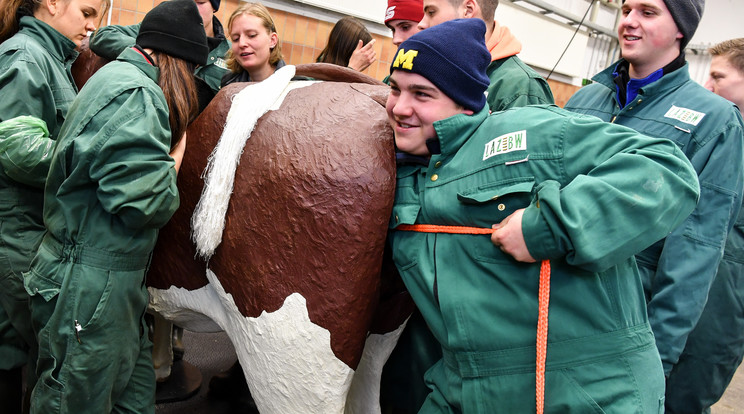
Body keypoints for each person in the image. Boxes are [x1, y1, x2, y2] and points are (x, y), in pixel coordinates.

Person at [386, 18, 700, 413]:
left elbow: (666, 169)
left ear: (463, 99)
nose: (400, 107)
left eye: (421, 94)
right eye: (394, 89)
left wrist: (551, 226)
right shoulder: (397, 172)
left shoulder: (536, 135)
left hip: (583, 392)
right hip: (464, 388)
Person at [19, 0, 207, 411]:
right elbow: (145, 203)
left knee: (134, 398)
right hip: (90, 286)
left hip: (111, 287)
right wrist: (175, 156)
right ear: (178, 62)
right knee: (74, 400)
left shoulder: (116, 76)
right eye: (191, 72)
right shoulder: (137, 94)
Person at [564, 2, 744, 409]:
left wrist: (654, 361)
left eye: (647, 12)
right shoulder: (584, 100)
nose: (628, 20)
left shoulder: (713, 121)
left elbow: (694, 253)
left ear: (681, 29)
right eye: (626, 9)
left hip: (629, 323)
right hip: (559, 313)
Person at [0, 0, 108, 411]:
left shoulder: (51, 58)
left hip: (29, 227)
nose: (92, 26)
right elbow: (18, 149)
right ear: (53, 2)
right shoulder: (27, 55)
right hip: (19, 232)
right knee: (55, 353)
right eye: (86, 12)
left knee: (11, 352)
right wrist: (100, 158)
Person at [664, 37, 744, 414]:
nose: (707, 88)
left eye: (718, 77)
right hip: (679, 301)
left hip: (718, 316)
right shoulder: (710, 143)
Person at [418, 0, 553, 111]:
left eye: (431, 12)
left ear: (468, 10)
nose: (421, 24)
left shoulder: (521, 86)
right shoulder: (440, 71)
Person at [89, 0, 230, 95]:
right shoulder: (161, 30)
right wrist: (150, 53)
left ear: (214, 6)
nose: (191, 8)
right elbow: (102, 36)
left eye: (200, 2)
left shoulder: (232, 54)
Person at [221, 2, 285, 86]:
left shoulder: (296, 86)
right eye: (236, 39)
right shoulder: (228, 84)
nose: (242, 43)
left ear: (272, 40)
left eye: (252, 35)